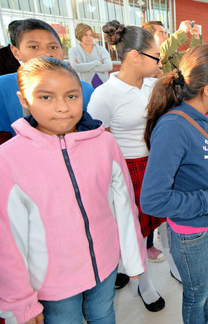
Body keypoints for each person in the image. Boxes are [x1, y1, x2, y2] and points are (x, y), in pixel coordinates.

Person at [0, 57, 145, 324]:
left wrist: (133, 256)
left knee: (103, 315)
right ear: (24, 99)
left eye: (72, 96)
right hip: (53, 282)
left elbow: (124, 204)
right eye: (45, 97)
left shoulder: (104, 142)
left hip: (105, 264)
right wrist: (19, 303)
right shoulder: (9, 159)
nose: (62, 108)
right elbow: (8, 240)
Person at [140, 45, 208, 324]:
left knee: (204, 285)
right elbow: (152, 199)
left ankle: (205, 320)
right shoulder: (174, 127)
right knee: (195, 293)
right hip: (193, 231)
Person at [87, 20, 167, 311]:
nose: (159, 62)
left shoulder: (154, 85)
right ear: (135, 56)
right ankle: (143, 284)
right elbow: (96, 144)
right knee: (129, 226)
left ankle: (133, 266)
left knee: (151, 225)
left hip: (155, 163)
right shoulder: (104, 95)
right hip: (124, 169)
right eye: (155, 57)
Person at [0, 18, 94, 144]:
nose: (45, 53)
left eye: (53, 47)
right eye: (34, 47)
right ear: (16, 52)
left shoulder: (85, 89)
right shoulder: (3, 87)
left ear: (62, 50)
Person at [68, 23, 113, 87]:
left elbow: (109, 66)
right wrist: (96, 62)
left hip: (103, 83)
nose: (88, 37)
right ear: (79, 35)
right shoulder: (73, 51)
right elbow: (76, 67)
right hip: (85, 85)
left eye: (91, 35)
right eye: (85, 35)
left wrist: (84, 67)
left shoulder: (101, 50)